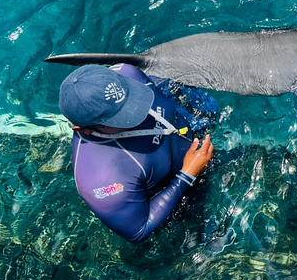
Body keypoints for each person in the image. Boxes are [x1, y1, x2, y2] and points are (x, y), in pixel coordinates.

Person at [58, 63, 214, 243]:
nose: (137, 111)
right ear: (84, 129)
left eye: (133, 98)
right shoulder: (100, 178)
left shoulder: (128, 72)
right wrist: (187, 175)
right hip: (180, 189)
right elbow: (139, 230)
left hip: (196, 136)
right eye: (120, 118)